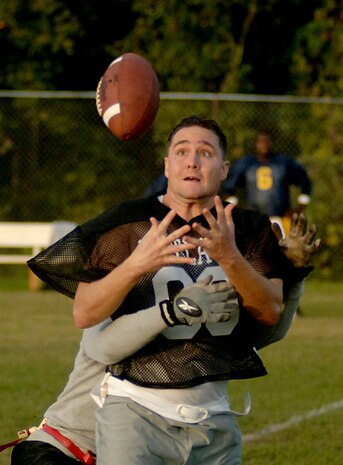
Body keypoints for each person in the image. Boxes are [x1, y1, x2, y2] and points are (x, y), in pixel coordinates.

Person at [23, 116, 317, 465]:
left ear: (224, 169)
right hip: (135, 409)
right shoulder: (129, 222)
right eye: (182, 151)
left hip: (214, 419)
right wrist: (137, 264)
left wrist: (234, 258)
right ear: (167, 165)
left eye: (205, 152)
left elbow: (268, 316)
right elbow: (85, 313)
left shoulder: (249, 229)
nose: (192, 160)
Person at [10, 213, 320, 465]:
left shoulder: (201, 291)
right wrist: (174, 310)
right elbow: (99, 348)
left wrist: (289, 277)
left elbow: (261, 335)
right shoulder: (121, 290)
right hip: (65, 449)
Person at [221, 130, 312, 234]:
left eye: (267, 141)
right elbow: (228, 187)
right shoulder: (245, 164)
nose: (264, 145)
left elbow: (305, 182)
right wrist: (236, 211)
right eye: (261, 142)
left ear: (271, 143)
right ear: (255, 144)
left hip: (282, 217)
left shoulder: (284, 163)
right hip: (254, 220)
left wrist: (299, 208)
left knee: (286, 249)